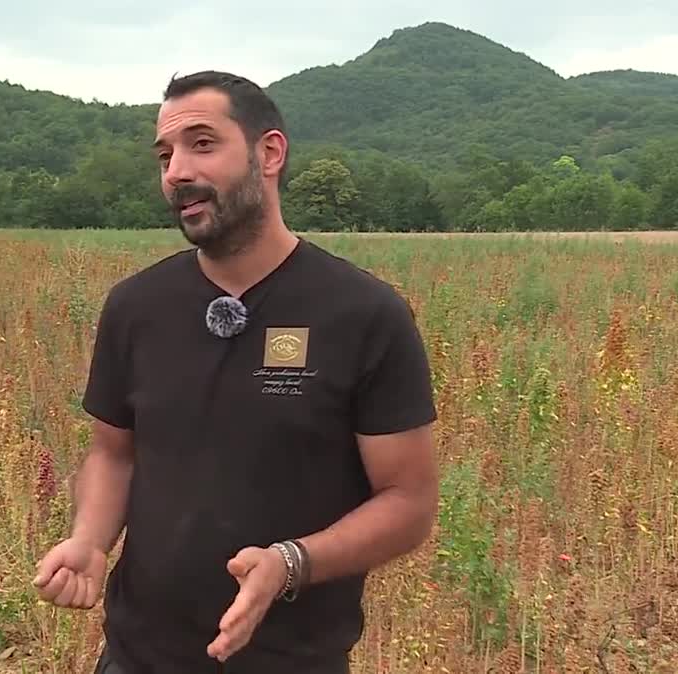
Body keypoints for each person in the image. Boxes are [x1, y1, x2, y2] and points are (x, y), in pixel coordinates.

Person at [31, 70, 439, 673]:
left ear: (268, 152)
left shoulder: (364, 314)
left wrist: (290, 563)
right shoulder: (136, 307)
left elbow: (408, 502)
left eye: (201, 144)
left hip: (294, 660)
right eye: (165, 155)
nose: (176, 171)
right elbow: (113, 453)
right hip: (137, 656)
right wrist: (90, 539)